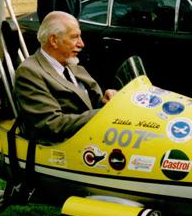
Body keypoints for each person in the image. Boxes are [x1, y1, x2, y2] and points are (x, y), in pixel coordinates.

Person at [14, 11, 117, 142]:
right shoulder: (29, 72)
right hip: (63, 149)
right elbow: (52, 124)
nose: (81, 44)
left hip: (91, 140)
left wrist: (107, 100)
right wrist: (103, 115)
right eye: (74, 37)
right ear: (54, 40)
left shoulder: (71, 64)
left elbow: (88, 103)